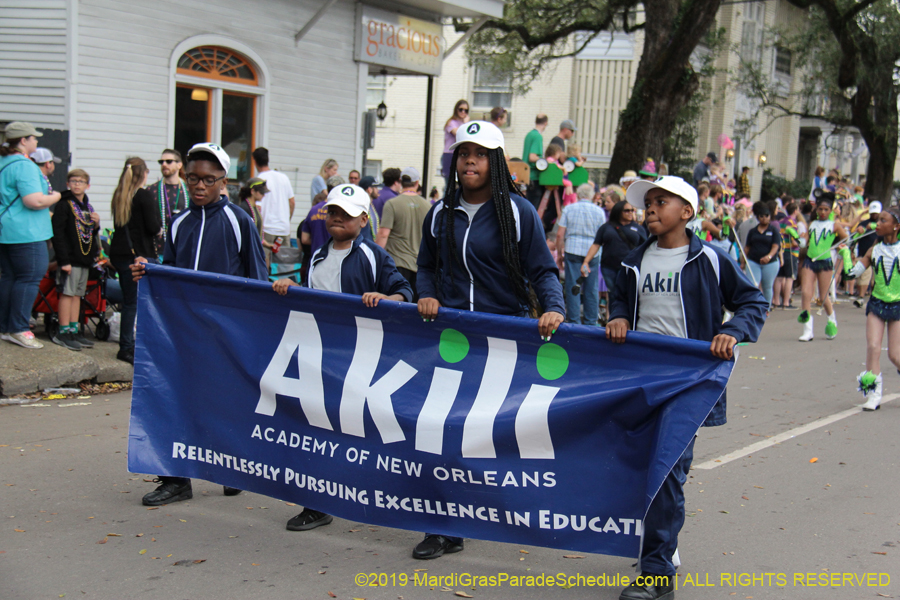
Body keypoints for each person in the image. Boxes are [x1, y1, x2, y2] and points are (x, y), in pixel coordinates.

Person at [606, 175, 767, 600]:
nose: (651, 209)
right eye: (648, 203)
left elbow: (753, 301)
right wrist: (618, 317)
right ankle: (665, 545)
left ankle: (656, 573)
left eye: (662, 201)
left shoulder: (711, 259)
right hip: (642, 378)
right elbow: (622, 300)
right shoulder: (634, 260)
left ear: (688, 212)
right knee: (644, 467)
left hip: (690, 379)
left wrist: (733, 331)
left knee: (665, 471)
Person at [416, 121, 565, 560]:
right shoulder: (440, 213)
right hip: (453, 339)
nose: (469, 161)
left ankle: (512, 517)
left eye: (479, 154)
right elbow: (426, 266)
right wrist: (426, 294)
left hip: (505, 339)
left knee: (494, 435)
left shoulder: (518, 212)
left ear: (495, 162)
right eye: (463, 153)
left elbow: (542, 269)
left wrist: (552, 306)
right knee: (441, 431)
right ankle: (443, 527)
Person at [132, 142, 267, 506]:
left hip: (227, 336)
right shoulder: (178, 223)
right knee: (174, 400)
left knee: (227, 402)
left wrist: (252, 335)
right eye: (193, 178)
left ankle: (232, 467)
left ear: (223, 181)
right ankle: (175, 479)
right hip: (182, 332)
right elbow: (169, 274)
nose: (199, 186)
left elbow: (258, 278)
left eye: (208, 179)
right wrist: (148, 271)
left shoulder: (239, 221)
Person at [274, 184, 412, 533]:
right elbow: (311, 298)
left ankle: (382, 495)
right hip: (320, 356)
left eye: (347, 214)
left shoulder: (373, 255)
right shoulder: (318, 255)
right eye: (333, 211)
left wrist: (385, 297)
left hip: (361, 357)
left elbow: (405, 292)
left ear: (364, 220)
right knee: (317, 426)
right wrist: (289, 289)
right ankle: (316, 503)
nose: (337, 218)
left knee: (362, 429)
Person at [0, 122, 61, 349]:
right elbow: (34, 200)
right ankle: (19, 328)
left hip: (6, 230)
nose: (36, 141)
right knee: (29, 277)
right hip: (27, 232)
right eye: (34, 138)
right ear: (23, 141)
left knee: (9, 277)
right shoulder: (24, 165)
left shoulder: (3, 161)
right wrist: (55, 197)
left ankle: (5, 327)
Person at [840, 207, 900, 411]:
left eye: (883, 221)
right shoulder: (874, 249)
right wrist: (846, 253)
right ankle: (873, 394)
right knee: (873, 347)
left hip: (898, 306)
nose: (877, 224)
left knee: (895, 355)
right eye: (878, 220)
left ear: (896, 226)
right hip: (876, 303)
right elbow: (851, 273)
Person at [109, 157, 161, 364]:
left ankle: (127, 344)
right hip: (138, 254)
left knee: (128, 301)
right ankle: (128, 346)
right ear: (145, 173)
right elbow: (152, 226)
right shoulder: (144, 195)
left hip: (120, 253)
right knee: (136, 303)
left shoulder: (120, 194)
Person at [50, 169, 100, 351]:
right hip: (70, 259)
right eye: (73, 181)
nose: (77, 184)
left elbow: (88, 233)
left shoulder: (87, 207)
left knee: (77, 295)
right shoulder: (64, 205)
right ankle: (63, 332)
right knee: (67, 294)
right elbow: (59, 234)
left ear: (88, 185)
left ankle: (74, 329)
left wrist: (96, 224)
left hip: (84, 259)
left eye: (81, 181)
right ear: (67, 184)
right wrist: (63, 260)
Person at [555, 182, 607, 325]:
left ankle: (574, 322)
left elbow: (560, 235)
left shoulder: (569, 209)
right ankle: (591, 322)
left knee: (573, 287)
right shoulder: (599, 211)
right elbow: (602, 235)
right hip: (593, 252)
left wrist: (559, 254)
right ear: (592, 196)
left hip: (572, 250)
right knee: (592, 287)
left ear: (578, 195)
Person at [798, 191, 846, 341]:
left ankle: (832, 320)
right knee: (806, 293)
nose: (823, 212)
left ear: (830, 210)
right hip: (810, 260)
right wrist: (800, 240)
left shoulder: (835, 225)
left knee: (823, 297)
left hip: (825, 262)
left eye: (826, 209)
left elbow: (845, 239)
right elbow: (805, 240)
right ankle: (807, 330)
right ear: (816, 210)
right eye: (820, 209)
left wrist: (841, 247)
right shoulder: (812, 224)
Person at [376, 167, 431, 300]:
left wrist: (376, 261)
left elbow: (383, 234)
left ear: (400, 181)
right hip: (420, 267)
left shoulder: (392, 204)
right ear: (417, 183)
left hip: (398, 265)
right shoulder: (428, 206)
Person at [582, 199, 647, 302]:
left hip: (630, 267)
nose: (630, 213)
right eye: (627, 210)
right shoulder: (606, 227)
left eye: (632, 210)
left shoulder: (638, 228)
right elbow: (596, 244)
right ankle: (614, 316)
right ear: (618, 211)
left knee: (628, 294)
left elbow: (645, 247)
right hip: (609, 267)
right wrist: (586, 261)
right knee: (613, 295)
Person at [254, 147, 296, 267]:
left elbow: (258, 208)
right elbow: (292, 202)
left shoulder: (259, 180)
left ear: (255, 161)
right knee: (285, 267)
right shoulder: (283, 178)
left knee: (263, 265)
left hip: (267, 229)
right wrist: (286, 220)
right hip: (283, 228)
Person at [146, 149, 189, 258]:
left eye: (169, 161)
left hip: (184, 249)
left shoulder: (190, 190)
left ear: (179, 165)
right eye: (161, 162)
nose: (164, 164)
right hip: (158, 251)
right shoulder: (151, 191)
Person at [741, 201, 782, 308]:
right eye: (761, 216)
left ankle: (766, 307)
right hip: (754, 260)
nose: (764, 218)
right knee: (753, 284)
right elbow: (747, 247)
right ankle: (752, 306)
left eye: (767, 216)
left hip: (770, 262)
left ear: (770, 217)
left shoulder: (773, 230)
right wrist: (743, 261)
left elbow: (776, 246)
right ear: (758, 217)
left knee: (767, 286)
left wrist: (769, 256)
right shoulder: (753, 231)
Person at [850, 201, 882, 307]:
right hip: (864, 254)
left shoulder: (882, 225)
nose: (874, 215)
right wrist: (852, 249)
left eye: (876, 213)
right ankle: (861, 297)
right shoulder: (863, 224)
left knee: (875, 280)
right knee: (863, 277)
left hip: (880, 255)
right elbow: (854, 238)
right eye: (872, 213)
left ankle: (874, 298)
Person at [772, 201, 802, 309]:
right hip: (791, 251)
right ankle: (786, 302)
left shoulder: (781, 221)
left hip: (782, 251)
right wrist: (799, 243)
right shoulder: (792, 223)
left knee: (779, 277)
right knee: (790, 277)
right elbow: (794, 241)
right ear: (795, 211)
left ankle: (776, 300)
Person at [523, 114, 549, 208]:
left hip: (526, 175)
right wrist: (545, 161)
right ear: (545, 123)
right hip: (534, 176)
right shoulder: (538, 136)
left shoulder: (529, 135)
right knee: (533, 206)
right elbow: (532, 157)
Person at [441, 100, 470, 183]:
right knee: (449, 184)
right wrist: (466, 124)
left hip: (460, 155)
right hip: (449, 155)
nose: (463, 112)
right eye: (461, 109)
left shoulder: (464, 123)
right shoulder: (451, 123)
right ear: (456, 110)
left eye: (466, 110)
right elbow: (458, 134)